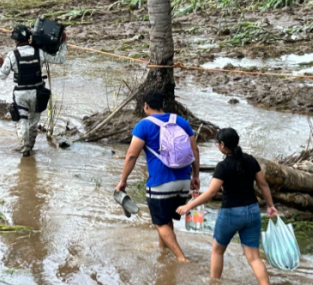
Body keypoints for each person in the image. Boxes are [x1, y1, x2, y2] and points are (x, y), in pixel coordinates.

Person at [176, 128, 278, 285]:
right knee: (254, 257)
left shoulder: (223, 166)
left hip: (230, 214)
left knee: (217, 250)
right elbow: (263, 184)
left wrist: (188, 206)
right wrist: (271, 206)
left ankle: (214, 282)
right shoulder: (250, 160)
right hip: (252, 211)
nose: (217, 145)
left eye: (217, 143)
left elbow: (210, 193)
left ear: (222, 145)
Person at [116, 90, 200, 262]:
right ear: (162, 105)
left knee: (160, 223)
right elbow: (194, 150)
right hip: (184, 182)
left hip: (160, 183)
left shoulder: (144, 125)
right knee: (166, 221)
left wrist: (123, 180)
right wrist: (195, 176)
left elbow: (131, 155)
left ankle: (181, 258)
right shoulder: (181, 121)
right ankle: (163, 253)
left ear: (146, 106)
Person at [0, 24, 67, 157]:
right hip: (37, 93)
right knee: (34, 121)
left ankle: (25, 148)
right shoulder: (39, 52)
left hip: (20, 93)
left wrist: (3, 64)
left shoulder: (12, 55)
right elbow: (60, 59)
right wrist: (63, 42)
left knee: (22, 120)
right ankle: (30, 146)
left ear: (15, 40)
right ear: (29, 37)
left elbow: (2, 76)